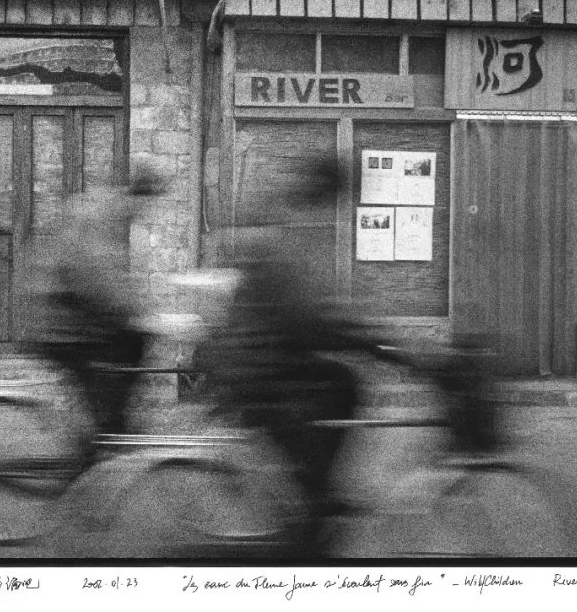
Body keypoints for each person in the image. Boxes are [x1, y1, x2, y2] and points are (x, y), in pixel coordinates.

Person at [201, 154, 360, 557]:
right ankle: (309, 511)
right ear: (323, 196)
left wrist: (346, 330)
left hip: (254, 356)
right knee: (337, 386)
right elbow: (301, 314)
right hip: (254, 368)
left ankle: (313, 495)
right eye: (333, 201)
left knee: (339, 382)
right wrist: (364, 339)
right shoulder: (284, 235)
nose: (333, 212)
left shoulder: (282, 223)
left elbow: (304, 307)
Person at [29, 164, 167, 439]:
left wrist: (139, 310)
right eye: (147, 206)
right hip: (63, 324)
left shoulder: (108, 213)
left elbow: (112, 279)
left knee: (129, 348)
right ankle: (108, 433)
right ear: (137, 198)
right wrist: (140, 316)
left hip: (72, 316)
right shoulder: (100, 216)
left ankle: (108, 430)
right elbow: (97, 279)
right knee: (130, 346)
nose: (146, 214)